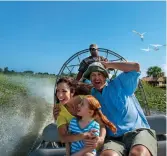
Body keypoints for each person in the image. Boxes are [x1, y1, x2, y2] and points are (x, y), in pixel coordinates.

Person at [83, 61, 157, 156]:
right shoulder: (91, 96)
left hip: (137, 132)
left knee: (137, 153)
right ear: (90, 78)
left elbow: (135, 67)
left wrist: (107, 64)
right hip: (114, 139)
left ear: (105, 76)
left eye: (100, 74)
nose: (96, 78)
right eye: (93, 75)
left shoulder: (120, 83)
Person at [53, 77, 105, 155]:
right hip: (75, 149)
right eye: (58, 91)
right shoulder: (59, 110)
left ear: (72, 92)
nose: (60, 95)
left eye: (64, 91)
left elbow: (102, 124)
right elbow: (63, 138)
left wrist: (101, 139)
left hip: (92, 147)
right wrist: (83, 135)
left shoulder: (87, 100)